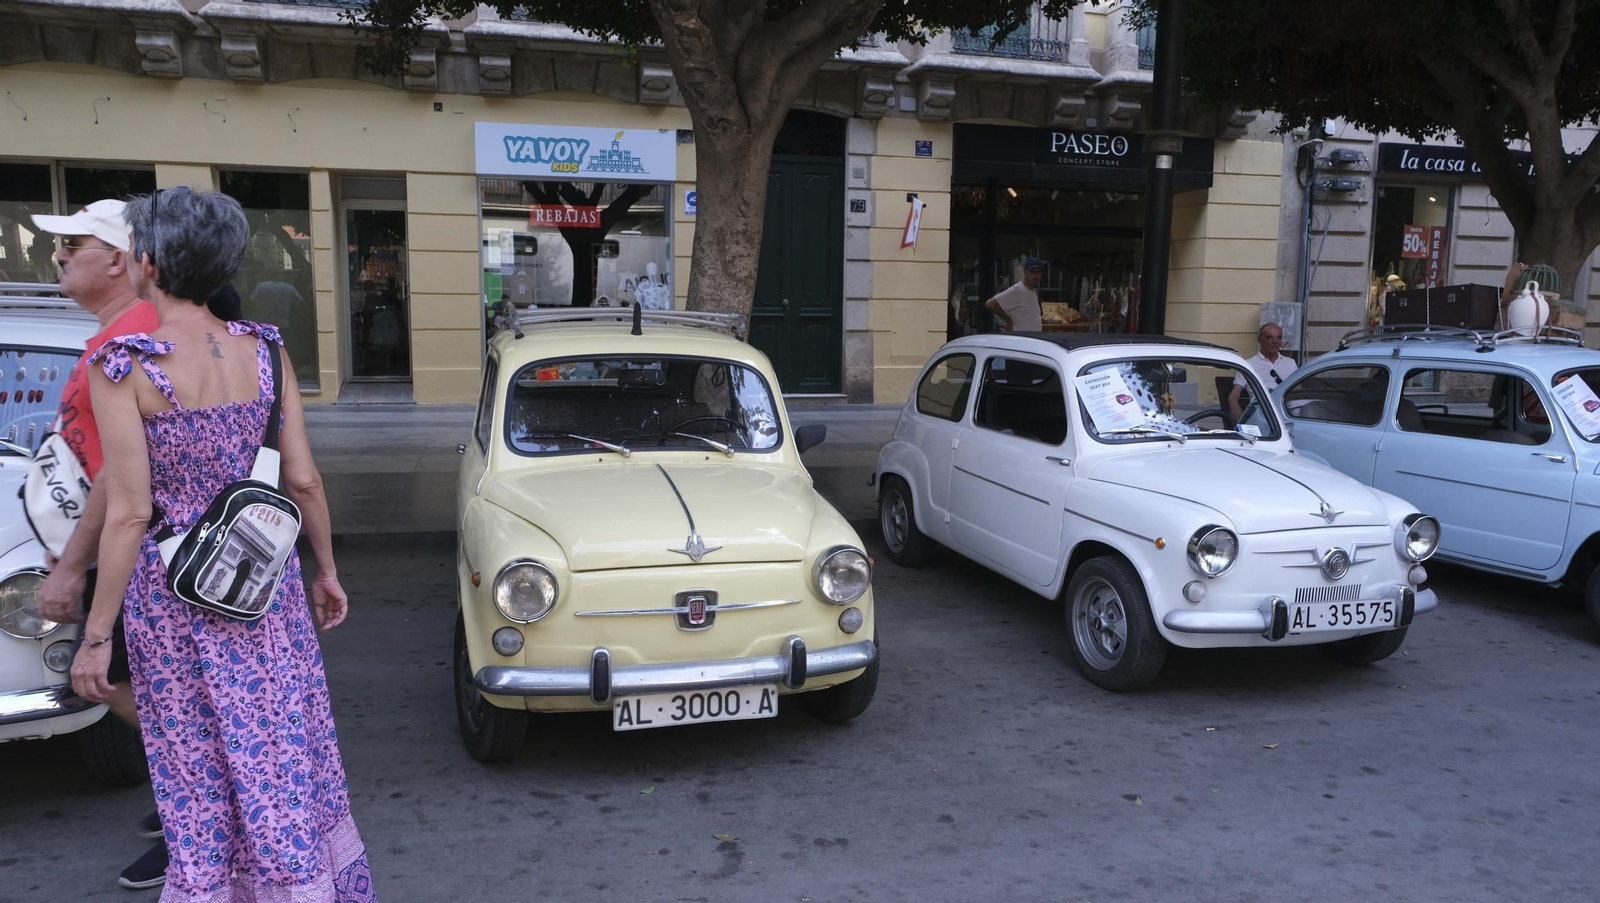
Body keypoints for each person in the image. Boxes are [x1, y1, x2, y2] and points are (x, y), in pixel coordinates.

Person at [68, 187, 379, 902]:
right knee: (281, 759)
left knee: (197, 774)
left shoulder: (125, 365)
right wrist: (324, 569)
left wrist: (94, 635)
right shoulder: (266, 349)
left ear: (146, 261)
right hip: (263, 595)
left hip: (174, 609)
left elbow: (129, 511)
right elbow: (302, 478)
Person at [30, 198, 170, 891]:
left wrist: (76, 564)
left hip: (130, 554)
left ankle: (197, 810)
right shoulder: (117, 331)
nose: (59, 254)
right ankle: (191, 801)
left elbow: (123, 478)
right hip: (121, 548)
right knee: (139, 687)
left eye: (74, 244)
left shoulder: (131, 338)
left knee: (118, 682)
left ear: (118, 258)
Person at [1229, 322, 1298, 423]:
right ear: (1260, 340)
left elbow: (1298, 391)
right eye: (1270, 338)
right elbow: (1234, 393)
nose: (1275, 342)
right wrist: (1234, 405)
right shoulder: (1249, 365)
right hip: (1263, 412)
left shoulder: (1290, 363)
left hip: (1287, 411)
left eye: (1278, 338)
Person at [985, 257, 1046, 333]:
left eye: (1039, 273)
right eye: (1032, 272)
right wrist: (1008, 319)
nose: (1036, 276)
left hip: (1033, 340)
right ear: (1025, 272)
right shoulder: (1017, 290)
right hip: (1021, 340)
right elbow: (990, 304)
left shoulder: (1033, 292)